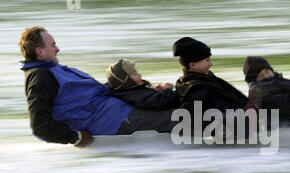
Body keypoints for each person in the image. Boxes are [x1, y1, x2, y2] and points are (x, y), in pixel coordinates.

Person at [19, 26, 177, 148]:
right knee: (178, 117)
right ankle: (199, 133)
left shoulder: (53, 70)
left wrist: (143, 89)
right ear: (40, 51)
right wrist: (75, 137)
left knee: (178, 100)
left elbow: (94, 92)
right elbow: (40, 125)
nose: (57, 49)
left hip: (118, 109)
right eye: (53, 45)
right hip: (113, 121)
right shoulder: (39, 78)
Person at [105, 59, 179, 110]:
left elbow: (143, 93)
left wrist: (152, 89)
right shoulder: (133, 96)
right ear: (127, 81)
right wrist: (167, 90)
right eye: (135, 74)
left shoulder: (127, 89)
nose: (139, 74)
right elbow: (161, 102)